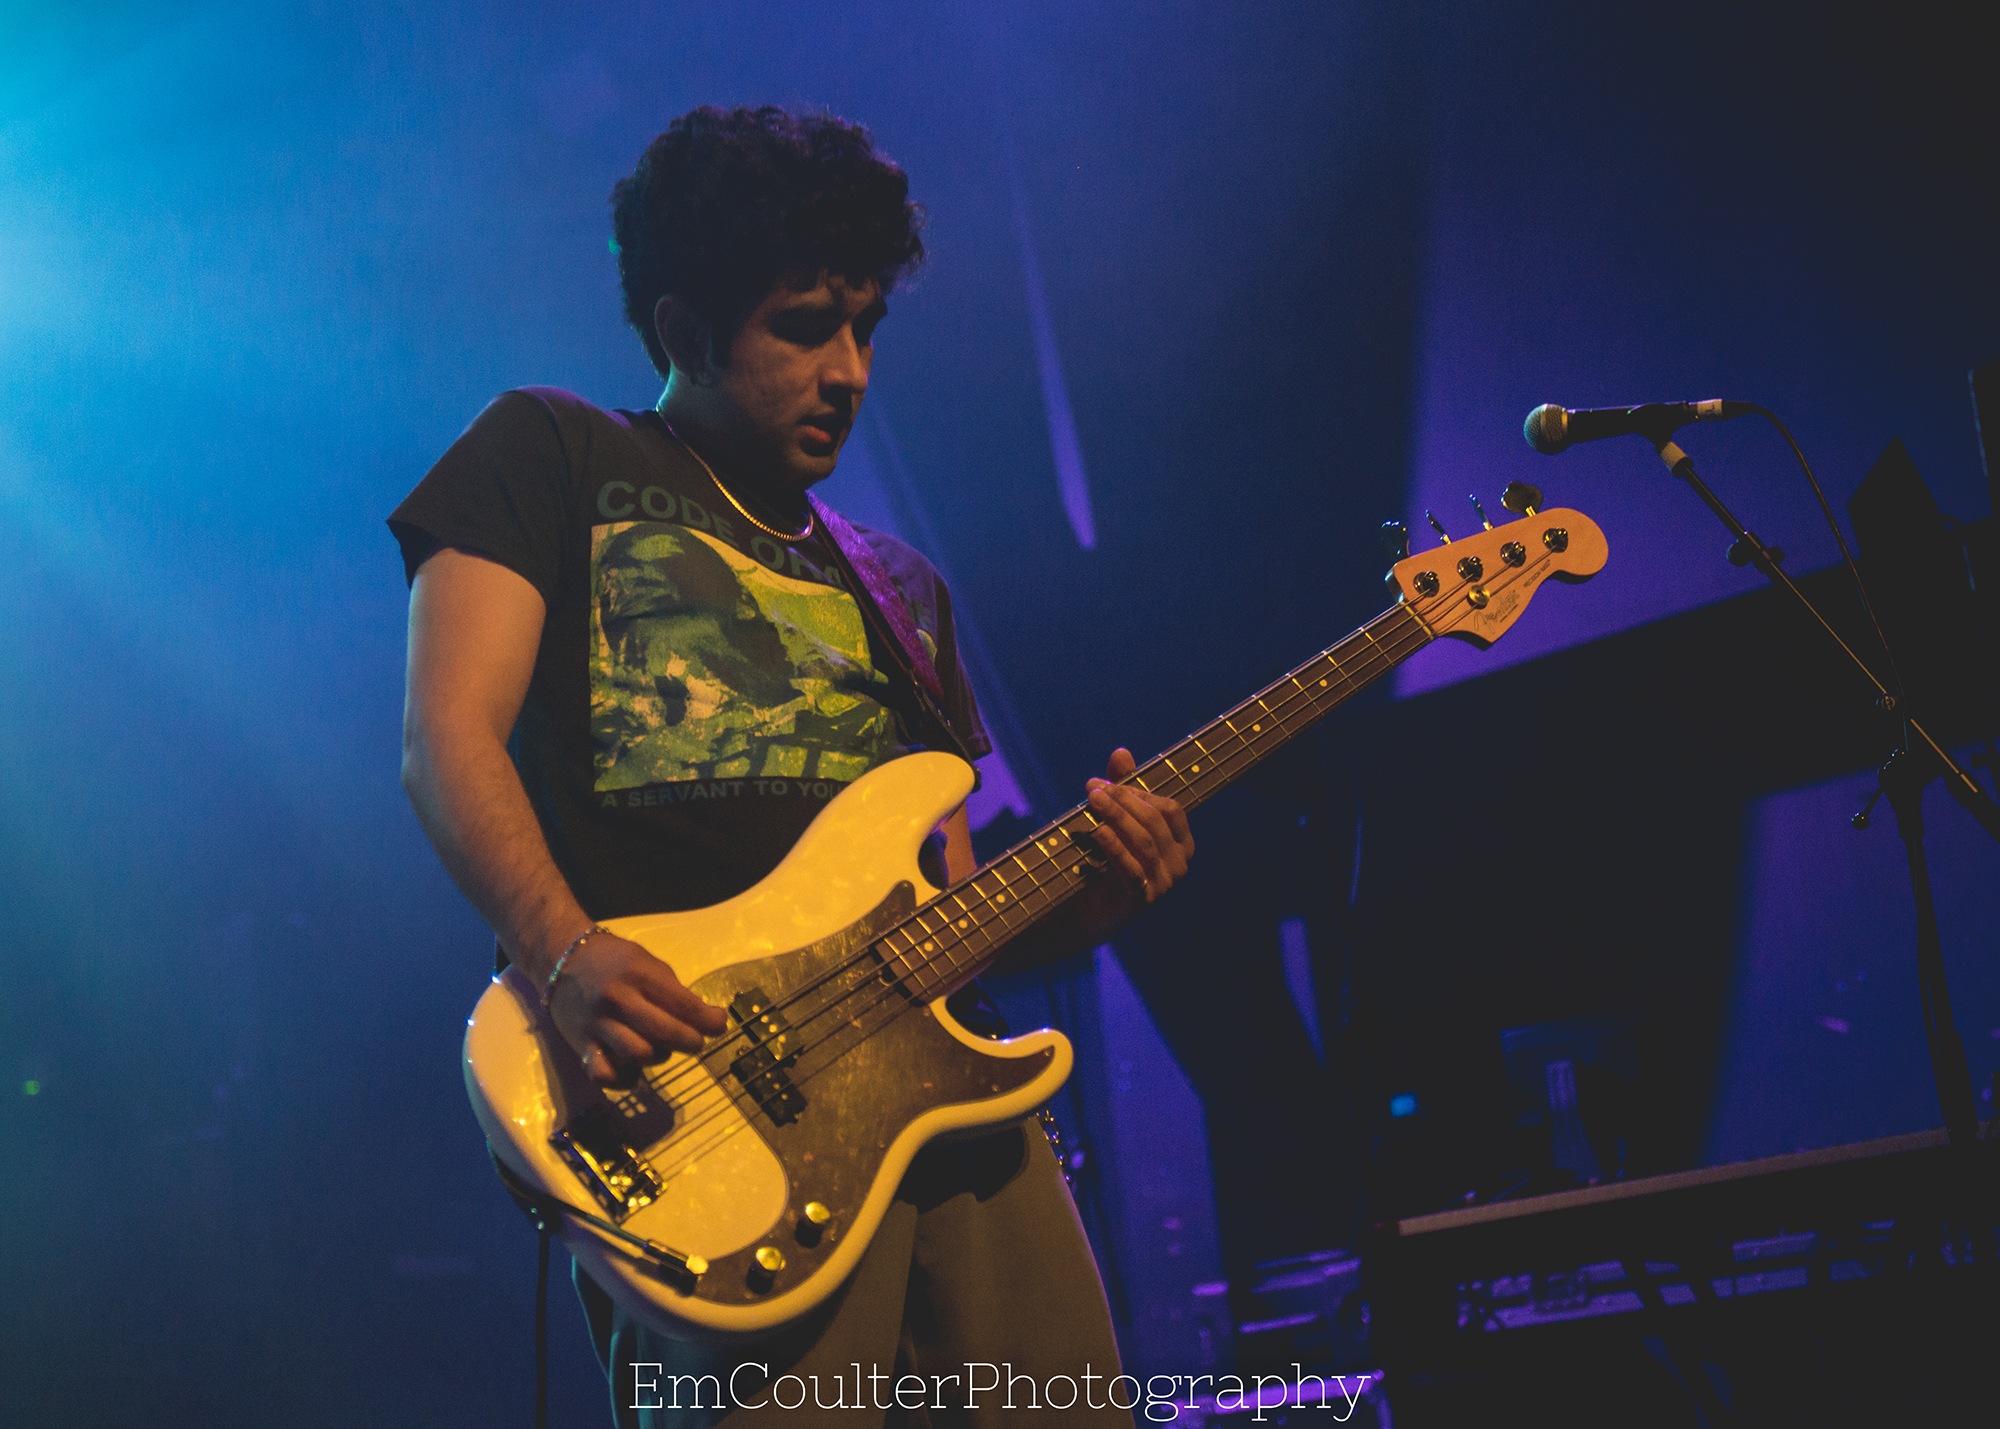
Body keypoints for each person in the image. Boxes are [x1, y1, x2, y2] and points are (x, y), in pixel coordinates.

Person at [391, 105, 1194, 1426]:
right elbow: (445, 739)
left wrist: (1088, 900)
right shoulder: (550, 454)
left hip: (952, 1120)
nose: (851, 372)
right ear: (688, 330)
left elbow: (948, 916)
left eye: (866, 328)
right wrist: (564, 950)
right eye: (808, 327)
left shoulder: (901, 586)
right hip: (701, 1110)